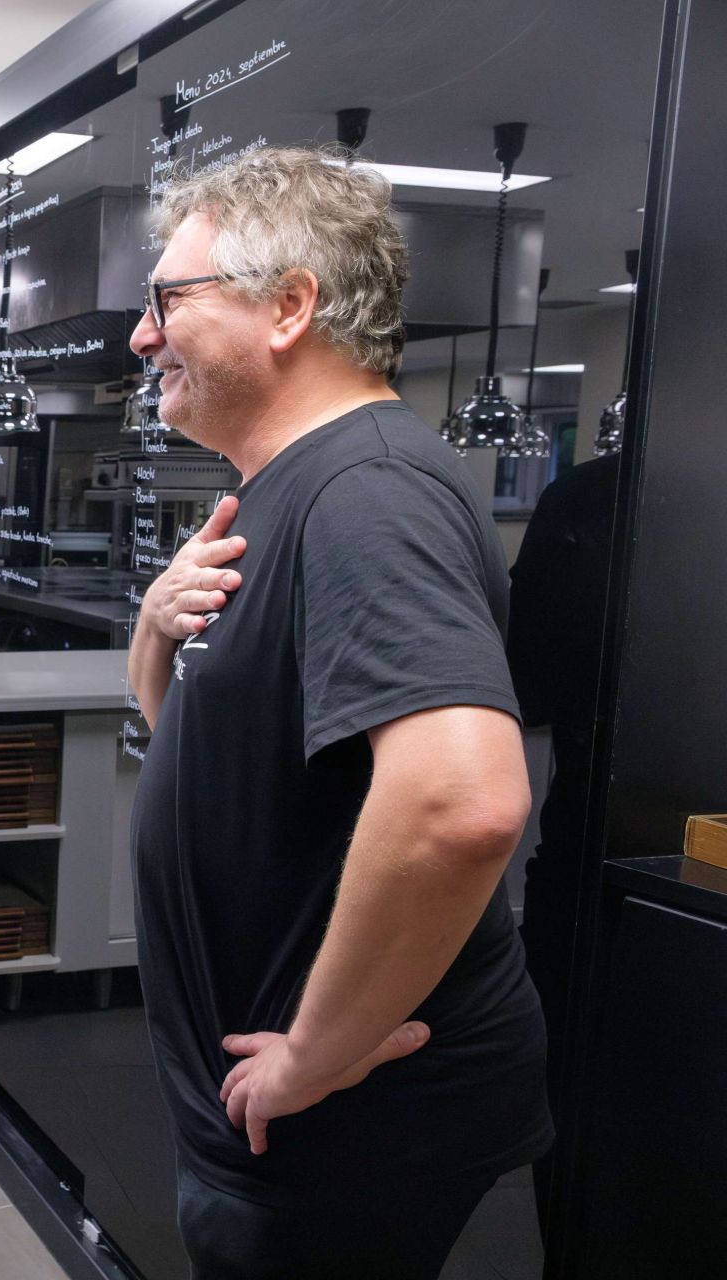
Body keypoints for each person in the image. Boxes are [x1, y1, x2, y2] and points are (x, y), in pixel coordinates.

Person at [124, 146, 551, 1279]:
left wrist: (315, 1050)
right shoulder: (280, 492)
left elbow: (463, 801)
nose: (142, 334)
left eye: (169, 299)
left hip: (337, 1122)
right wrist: (157, 631)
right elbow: (208, 752)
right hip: (276, 1118)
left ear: (291, 305)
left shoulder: (367, 489)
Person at [505, 445, 622, 1234]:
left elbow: (530, 684)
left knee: (580, 1103)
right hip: (597, 853)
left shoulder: (587, 498)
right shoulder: (586, 499)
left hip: (588, 850)